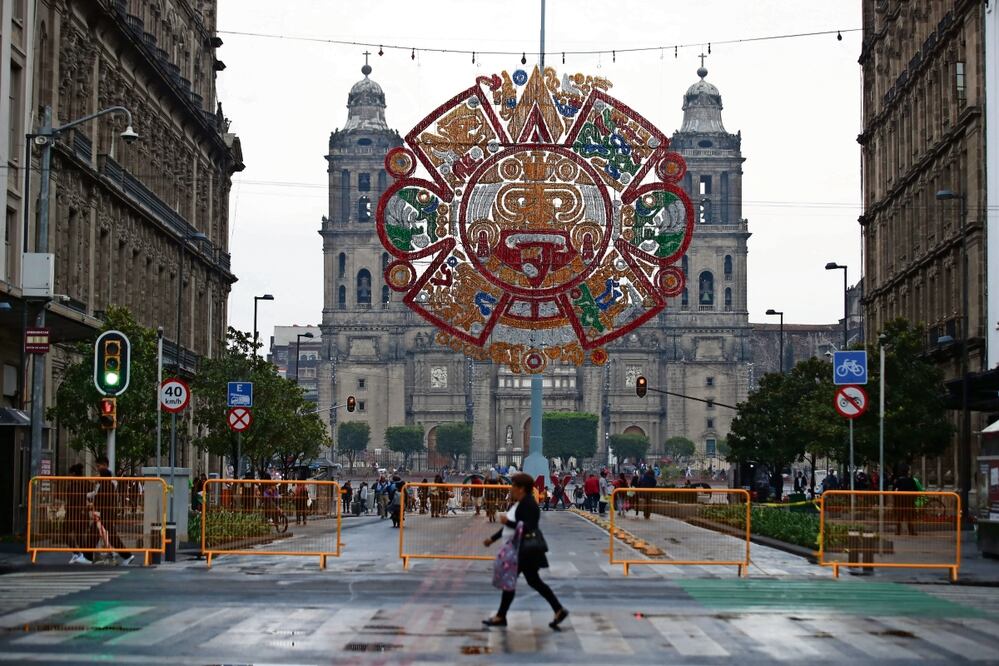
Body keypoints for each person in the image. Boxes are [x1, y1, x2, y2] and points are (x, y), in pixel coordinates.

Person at [482, 472, 568, 630]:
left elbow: (526, 527)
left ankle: (501, 616)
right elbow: (512, 525)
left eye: (514, 485)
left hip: (526, 550)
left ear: (521, 488)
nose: (511, 488)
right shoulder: (521, 503)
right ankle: (558, 609)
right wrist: (492, 539)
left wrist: (507, 521)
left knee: (513, 582)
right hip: (522, 549)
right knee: (532, 581)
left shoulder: (529, 504)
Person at [92, 456, 133, 565]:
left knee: (109, 536)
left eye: (99, 466)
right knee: (98, 533)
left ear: (104, 466)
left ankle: (125, 555)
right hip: (104, 513)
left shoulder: (108, 484)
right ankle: (90, 556)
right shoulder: (105, 484)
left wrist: (97, 509)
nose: (97, 470)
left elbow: (101, 498)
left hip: (105, 513)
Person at [66, 463, 94, 564]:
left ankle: (82, 554)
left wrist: (87, 507)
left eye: (70, 474)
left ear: (73, 474)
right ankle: (78, 553)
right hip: (73, 513)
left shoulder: (82, 484)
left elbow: (90, 498)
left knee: (78, 535)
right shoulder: (74, 484)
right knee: (67, 534)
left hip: (80, 513)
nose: (69, 476)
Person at [892, 465, 919, 536]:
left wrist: (896, 499)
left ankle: (898, 531)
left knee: (899, 517)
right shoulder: (911, 480)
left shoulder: (898, 481)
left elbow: (893, 491)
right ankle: (911, 531)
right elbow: (916, 490)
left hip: (899, 502)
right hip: (909, 502)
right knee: (909, 517)